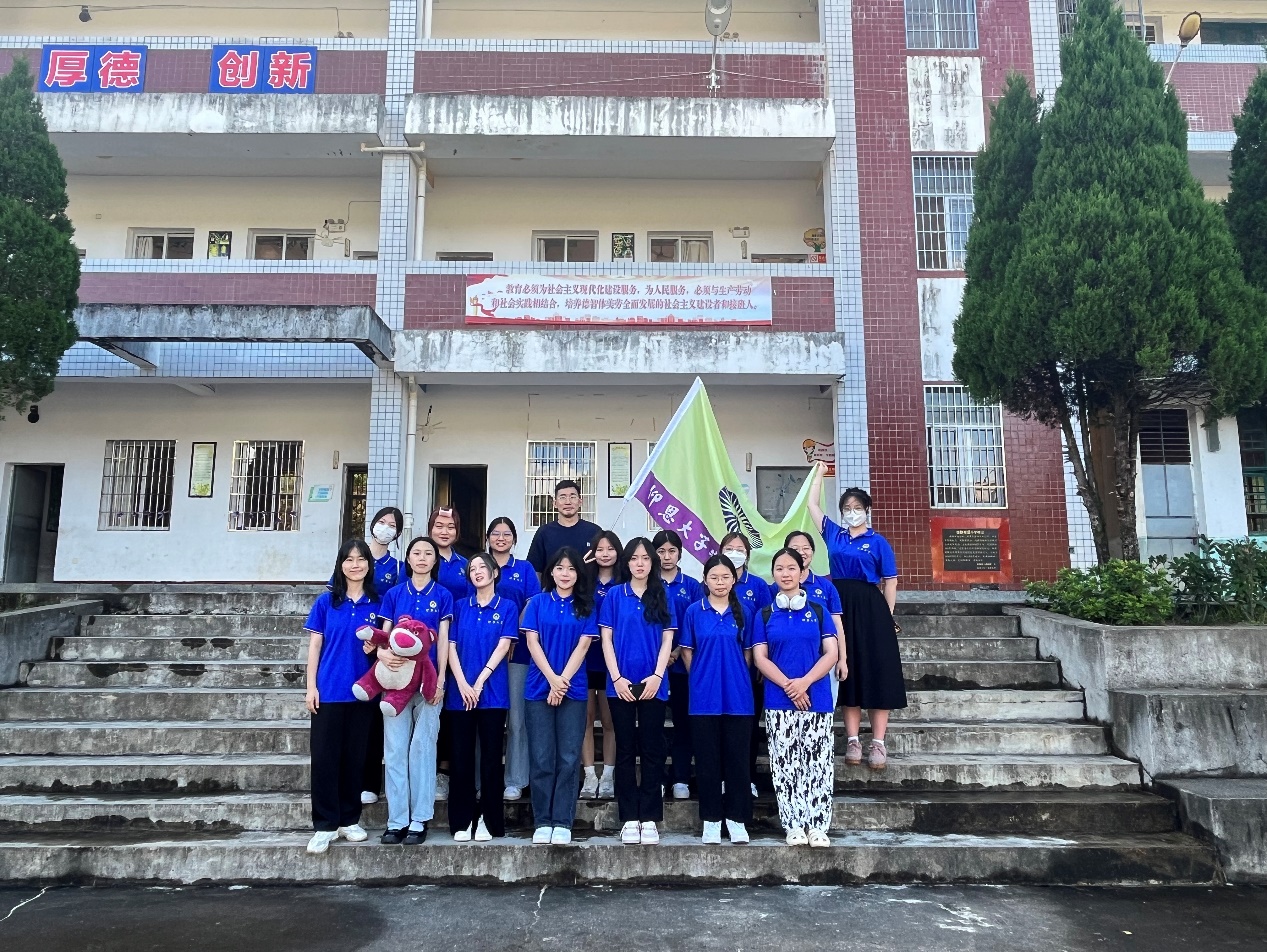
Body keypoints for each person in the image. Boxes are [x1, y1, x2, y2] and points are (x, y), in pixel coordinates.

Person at [807, 462, 906, 771]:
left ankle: (878, 742)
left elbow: (890, 580)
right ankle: (852, 740)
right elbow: (812, 505)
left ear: (867, 510)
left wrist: (887, 615)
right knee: (847, 670)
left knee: (876, 671)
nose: (852, 513)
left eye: (857, 508)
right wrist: (819, 474)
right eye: (847, 508)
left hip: (871, 608)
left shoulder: (878, 541)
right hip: (840, 605)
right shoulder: (834, 535)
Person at [750, 547, 839, 848]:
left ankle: (817, 825)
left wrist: (805, 683)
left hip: (817, 699)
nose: (785, 574)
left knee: (818, 763)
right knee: (785, 764)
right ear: (773, 574)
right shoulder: (764, 614)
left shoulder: (818, 611)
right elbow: (760, 658)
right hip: (779, 699)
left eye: (791, 568)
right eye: (779, 569)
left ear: (802, 573)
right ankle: (794, 824)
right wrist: (790, 686)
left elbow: (831, 653)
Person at [596, 537, 676, 846]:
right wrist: (616, 678)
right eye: (634, 558)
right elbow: (606, 640)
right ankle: (629, 816)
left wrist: (657, 676)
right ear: (626, 562)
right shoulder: (615, 595)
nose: (640, 563)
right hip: (621, 684)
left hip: (654, 683)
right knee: (626, 749)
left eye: (645, 558)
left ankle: (650, 816)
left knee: (653, 749)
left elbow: (668, 640)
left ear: (652, 562)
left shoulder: (662, 594)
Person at [375, 536, 453, 844]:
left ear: (435, 560)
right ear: (408, 559)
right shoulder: (394, 594)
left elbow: (444, 640)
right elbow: (383, 635)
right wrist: (381, 655)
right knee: (395, 749)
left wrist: (442, 678)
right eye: (416, 553)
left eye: (428, 553)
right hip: (395, 680)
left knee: (423, 746)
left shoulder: (443, 595)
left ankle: (419, 819)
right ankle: (397, 820)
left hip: (428, 681)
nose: (422, 557)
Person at [303, 539, 379, 855]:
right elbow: (315, 646)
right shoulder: (326, 602)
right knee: (324, 759)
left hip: (363, 694)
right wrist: (311, 687)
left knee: (354, 759)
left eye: (361, 559)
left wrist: (376, 648)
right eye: (349, 559)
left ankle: (349, 820)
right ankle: (325, 825)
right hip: (329, 691)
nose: (355, 565)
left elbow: (387, 647)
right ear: (341, 565)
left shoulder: (378, 604)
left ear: (369, 565)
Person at [522, 547, 595, 845]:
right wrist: (552, 680)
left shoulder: (586, 606)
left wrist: (562, 682)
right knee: (541, 757)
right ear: (551, 571)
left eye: (572, 569)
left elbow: (584, 645)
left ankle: (563, 821)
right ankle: (542, 820)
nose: (566, 574)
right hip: (539, 687)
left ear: (579, 574)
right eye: (560, 568)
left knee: (568, 757)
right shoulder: (538, 603)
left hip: (573, 689)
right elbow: (532, 642)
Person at [678, 554, 753, 845]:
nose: (720, 583)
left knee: (737, 759)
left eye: (725, 577)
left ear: (734, 580)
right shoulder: (694, 612)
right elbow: (687, 652)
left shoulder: (744, 611)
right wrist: (699, 676)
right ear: (705, 580)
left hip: (738, 696)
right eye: (714, 577)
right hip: (703, 697)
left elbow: (749, 654)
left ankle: (737, 819)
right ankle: (711, 819)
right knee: (707, 759)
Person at [446, 553, 519, 842]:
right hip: (460, 693)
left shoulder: (507, 606)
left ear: (494, 573)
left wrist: (478, 682)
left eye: (482, 567)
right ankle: (462, 821)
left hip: (492, 693)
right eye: (472, 568)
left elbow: (503, 646)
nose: (476, 572)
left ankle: (489, 821)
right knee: (461, 758)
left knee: (490, 758)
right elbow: (450, 646)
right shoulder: (459, 606)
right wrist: (463, 683)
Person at [486, 516, 541, 803]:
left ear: (514, 539)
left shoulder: (525, 569)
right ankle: (483, 778)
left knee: (517, 718)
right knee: (486, 718)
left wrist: (511, 634)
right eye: (496, 533)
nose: (501, 538)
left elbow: (532, 604)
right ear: (488, 537)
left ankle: (516, 779)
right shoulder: (480, 565)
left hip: (518, 652)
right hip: (483, 653)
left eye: (506, 534)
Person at [719, 531, 773, 799]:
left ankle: (746, 777)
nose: (735, 553)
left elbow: (766, 624)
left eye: (740, 549)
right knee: (720, 726)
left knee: (747, 727)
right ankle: (721, 777)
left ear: (748, 555)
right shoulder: (713, 581)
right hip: (719, 669)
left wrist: (762, 664)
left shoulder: (758, 586)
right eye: (729, 548)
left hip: (751, 670)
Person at [654, 529, 702, 800]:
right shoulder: (648, 585)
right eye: (661, 551)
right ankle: (659, 777)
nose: (666, 556)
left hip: (683, 664)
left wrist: (676, 651)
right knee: (655, 725)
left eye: (671, 551)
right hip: (655, 668)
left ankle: (681, 777)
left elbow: (695, 624)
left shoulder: (692, 586)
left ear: (680, 554)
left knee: (684, 722)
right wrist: (663, 655)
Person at [776, 530, 846, 707]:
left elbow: (837, 625)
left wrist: (842, 659)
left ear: (813, 552)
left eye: (806, 548)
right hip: (785, 663)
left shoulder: (827, 587)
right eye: (795, 548)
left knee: (822, 710)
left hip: (823, 660)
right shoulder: (775, 588)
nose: (801, 552)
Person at [580, 530, 622, 799]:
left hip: (612, 661)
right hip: (585, 659)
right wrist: (582, 568)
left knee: (609, 720)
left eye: (610, 549)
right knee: (585, 720)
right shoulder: (584, 582)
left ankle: (607, 775)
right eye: (599, 549)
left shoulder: (624, 582)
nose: (605, 554)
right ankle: (589, 776)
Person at [526, 479, 602, 576]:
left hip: (588, 586)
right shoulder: (544, 532)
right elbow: (535, 570)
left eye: (572, 497)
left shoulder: (594, 531)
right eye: (562, 497)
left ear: (580, 502)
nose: (568, 502)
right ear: (555, 503)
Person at [429, 507, 473, 603]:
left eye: (451, 527)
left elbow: (471, 600)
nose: (444, 532)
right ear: (430, 529)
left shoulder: (465, 564)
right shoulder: (419, 560)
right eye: (439, 526)